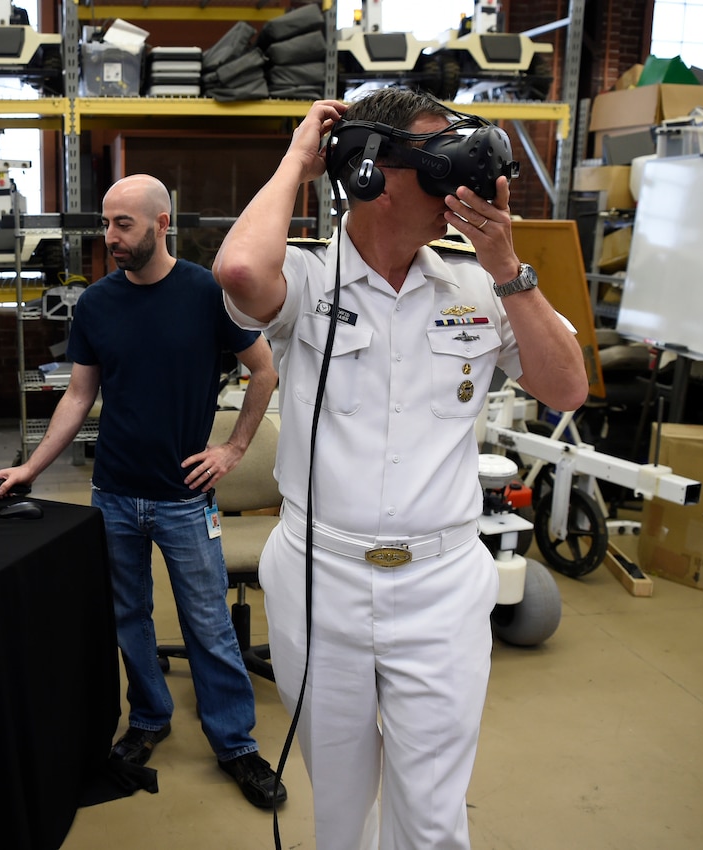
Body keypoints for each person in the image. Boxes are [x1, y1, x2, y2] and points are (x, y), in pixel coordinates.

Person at [212, 90, 589, 848]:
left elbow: (567, 388)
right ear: (369, 172)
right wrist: (299, 158)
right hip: (322, 581)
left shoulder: (480, 285)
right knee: (340, 808)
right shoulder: (309, 279)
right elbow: (239, 271)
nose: (463, 184)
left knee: (432, 815)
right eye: (439, 162)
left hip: (441, 586)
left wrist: (508, 265)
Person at [0, 174, 286, 809]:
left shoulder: (209, 293)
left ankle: (235, 743)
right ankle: (149, 718)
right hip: (114, 495)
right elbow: (78, 396)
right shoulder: (97, 303)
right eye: (105, 224)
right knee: (128, 619)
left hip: (184, 499)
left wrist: (232, 449)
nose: (110, 238)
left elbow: (264, 370)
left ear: (161, 224)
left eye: (123, 225)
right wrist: (31, 469)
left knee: (208, 624)